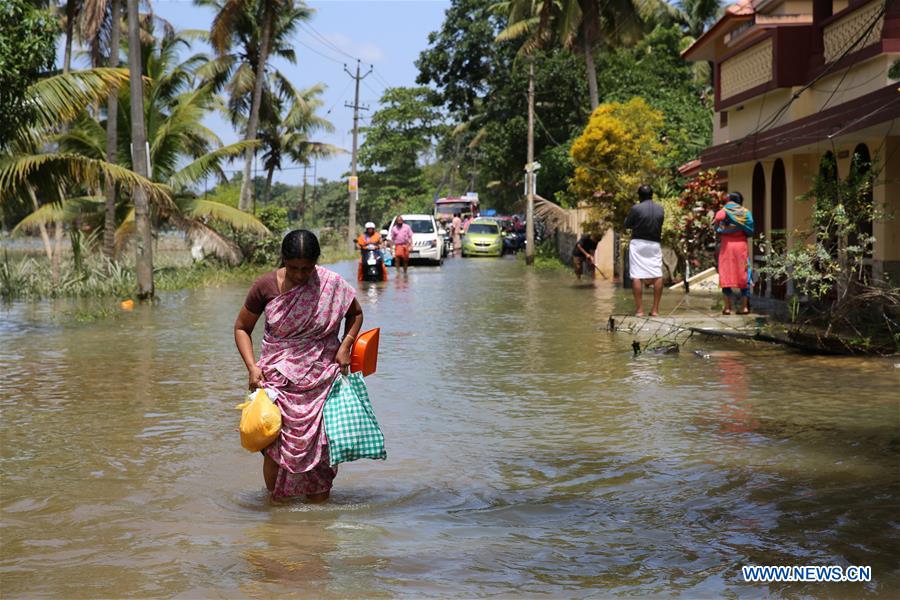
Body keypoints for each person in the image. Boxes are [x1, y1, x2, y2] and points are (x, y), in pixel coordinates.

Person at [234, 229, 364, 501]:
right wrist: (251, 367)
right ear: (283, 260)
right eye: (293, 268)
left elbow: (356, 314)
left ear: (317, 262)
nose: (300, 275)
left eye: (307, 269)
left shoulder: (332, 284)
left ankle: (318, 509)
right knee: (273, 444)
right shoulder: (265, 286)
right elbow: (242, 328)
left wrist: (345, 346)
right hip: (277, 382)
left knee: (324, 446)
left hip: (322, 379)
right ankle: (277, 507)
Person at [624, 184, 665, 316]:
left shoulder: (636, 208)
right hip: (655, 244)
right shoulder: (660, 209)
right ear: (652, 195)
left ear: (639, 196)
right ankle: (655, 310)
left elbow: (627, 224)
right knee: (657, 274)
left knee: (636, 275)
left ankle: (640, 310)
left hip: (638, 243)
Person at [714, 191, 754, 314]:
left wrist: (721, 227)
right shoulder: (746, 212)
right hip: (741, 245)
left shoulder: (725, 211)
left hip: (727, 247)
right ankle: (745, 307)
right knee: (743, 273)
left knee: (726, 273)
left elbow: (718, 218)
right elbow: (751, 228)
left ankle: (727, 307)